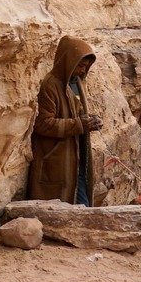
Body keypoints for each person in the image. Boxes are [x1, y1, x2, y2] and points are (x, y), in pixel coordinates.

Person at [29, 36, 102, 204]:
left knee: (81, 205)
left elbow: (78, 112)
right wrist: (79, 124)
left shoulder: (77, 83)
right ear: (68, 62)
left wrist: (92, 121)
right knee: (67, 207)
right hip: (58, 159)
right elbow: (43, 124)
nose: (83, 71)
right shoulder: (50, 85)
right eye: (80, 66)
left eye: (86, 67)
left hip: (77, 157)